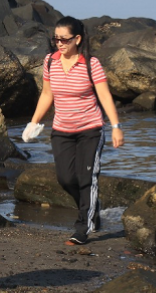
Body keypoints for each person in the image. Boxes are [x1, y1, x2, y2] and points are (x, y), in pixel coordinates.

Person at [26, 16, 125, 245]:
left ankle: (83, 227)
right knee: (65, 178)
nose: (59, 44)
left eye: (64, 40)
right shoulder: (50, 61)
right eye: (56, 39)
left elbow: (104, 96)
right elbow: (47, 94)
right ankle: (91, 206)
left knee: (86, 178)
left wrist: (116, 126)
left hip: (90, 130)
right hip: (62, 130)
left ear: (77, 39)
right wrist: (34, 122)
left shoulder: (91, 64)